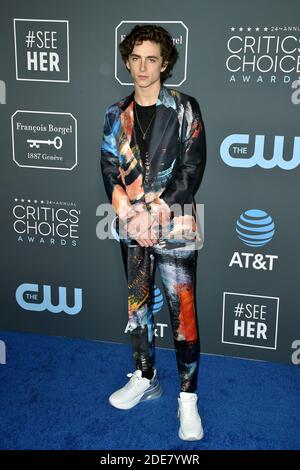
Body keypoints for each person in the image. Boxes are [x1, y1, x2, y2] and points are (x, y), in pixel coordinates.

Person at [100, 24, 206, 441]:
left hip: (174, 225)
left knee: (184, 316)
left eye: (152, 59)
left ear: (165, 64)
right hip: (130, 228)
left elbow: (191, 169)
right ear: (127, 62)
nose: (143, 67)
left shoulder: (185, 108)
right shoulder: (114, 113)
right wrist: (131, 218)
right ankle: (145, 378)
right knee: (138, 308)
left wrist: (153, 215)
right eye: (136, 58)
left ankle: (187, 399)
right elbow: (110, 167)